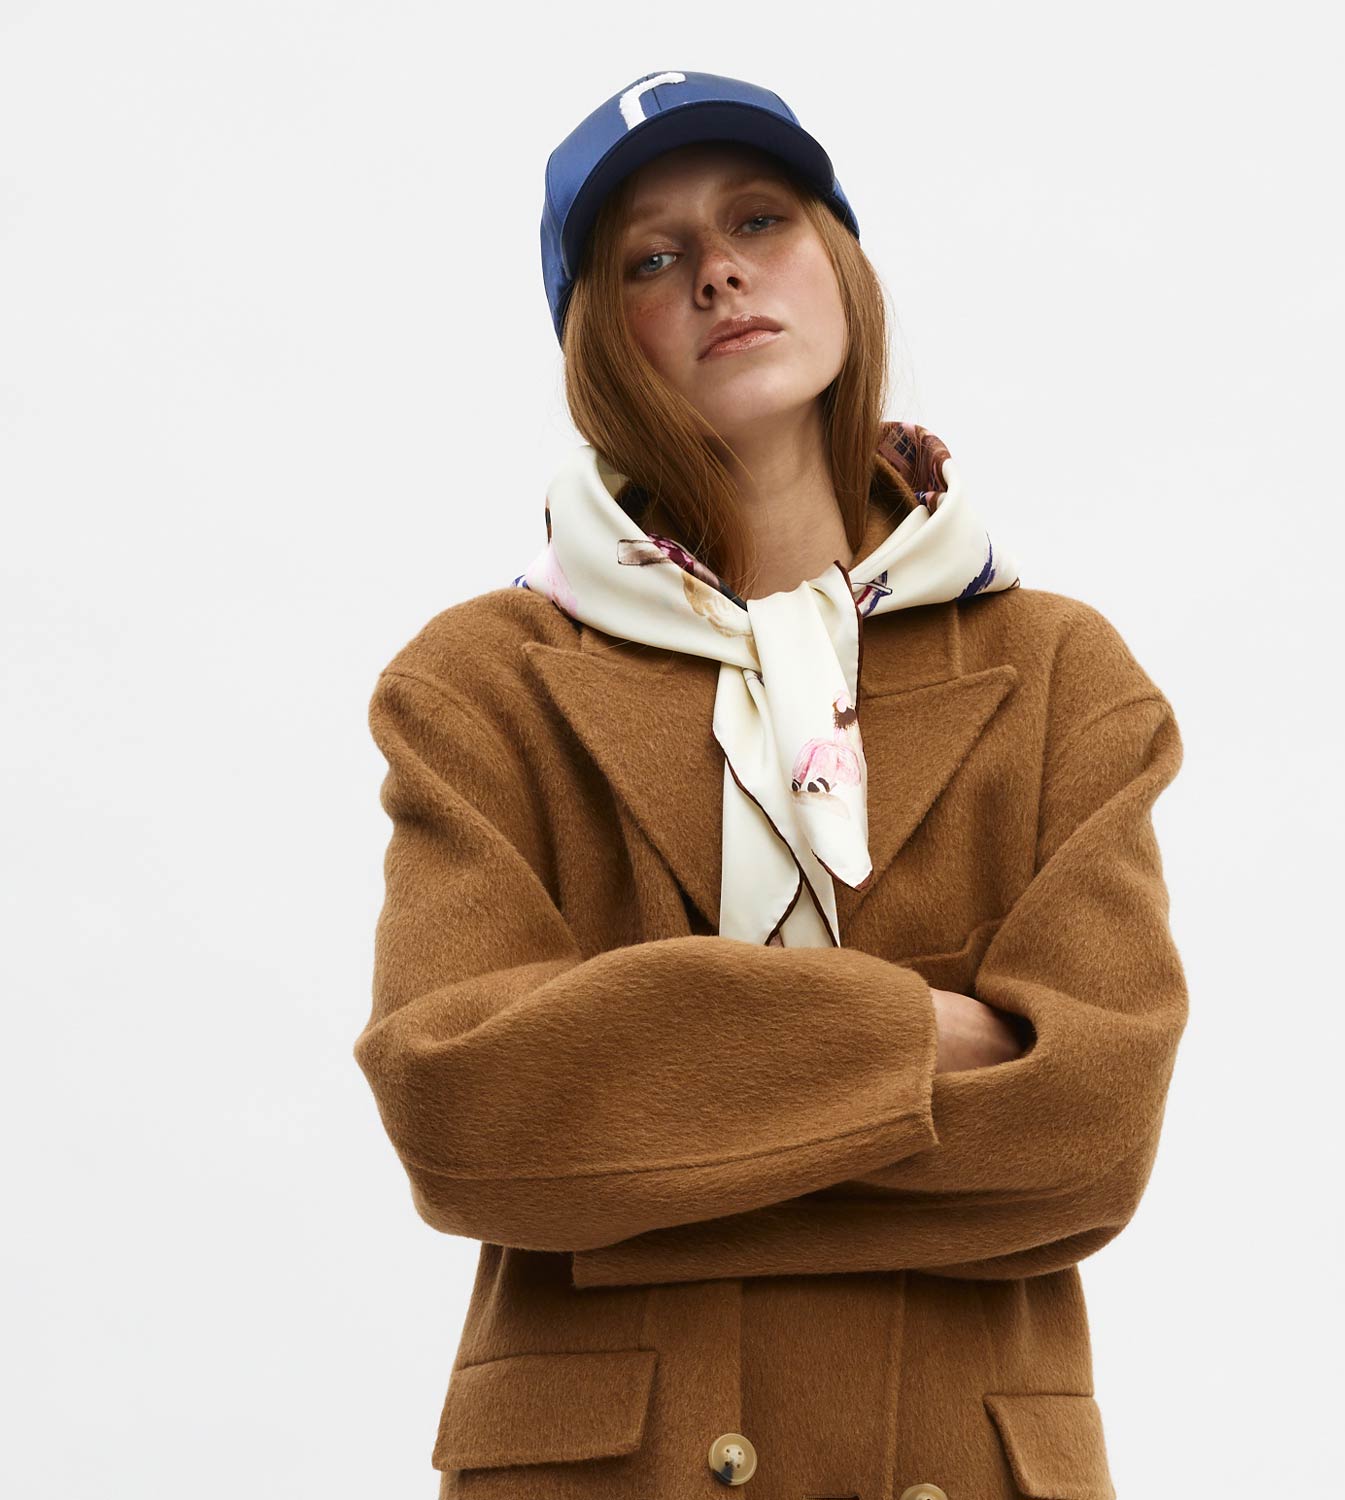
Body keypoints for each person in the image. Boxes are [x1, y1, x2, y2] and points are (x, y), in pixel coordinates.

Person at [354, 69, 1189, 1500]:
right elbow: (462, 1111)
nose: (720, 271)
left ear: (844, 265)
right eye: (652, 258)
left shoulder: (1059, 669)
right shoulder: (480, 682)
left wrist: (643, 1156)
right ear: (595, 340)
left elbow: (1090, 1134)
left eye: (760, 218)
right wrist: (929, 1041)